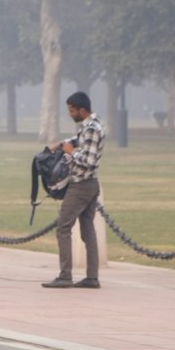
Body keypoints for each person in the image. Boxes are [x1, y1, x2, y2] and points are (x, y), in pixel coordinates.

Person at [41, 91, 105, 289]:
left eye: (71, 110)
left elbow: (89, 160)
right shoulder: (88, 127)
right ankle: (92, 277)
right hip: (90, 184)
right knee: (88, 231)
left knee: (63, 228)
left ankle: (65, 275)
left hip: (81, 184)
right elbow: (80, 141)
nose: (70, 114)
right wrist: (62, 144)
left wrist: (71, 152)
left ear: (82, 110)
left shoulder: (92, 128)